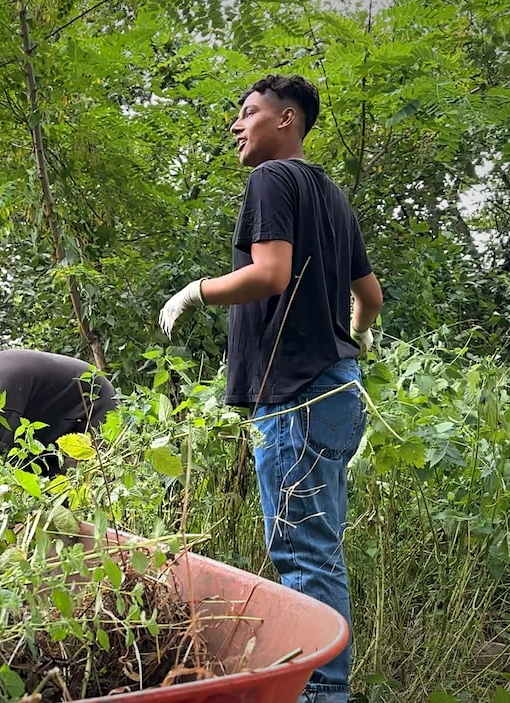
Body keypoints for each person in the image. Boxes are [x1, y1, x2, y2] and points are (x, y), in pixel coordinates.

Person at [158, 74, 383, 703]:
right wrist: (354, 341)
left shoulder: (272, 180)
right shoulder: (332, 196)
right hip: (334, 391)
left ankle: (321, 693)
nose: (237, 124)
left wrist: (196, 290)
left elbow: (271, 273)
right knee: (319, 548)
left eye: (248, 112)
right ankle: (323, 684)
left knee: (305, 556)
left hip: (297, 397)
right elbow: (370, 297)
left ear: (286, 121)